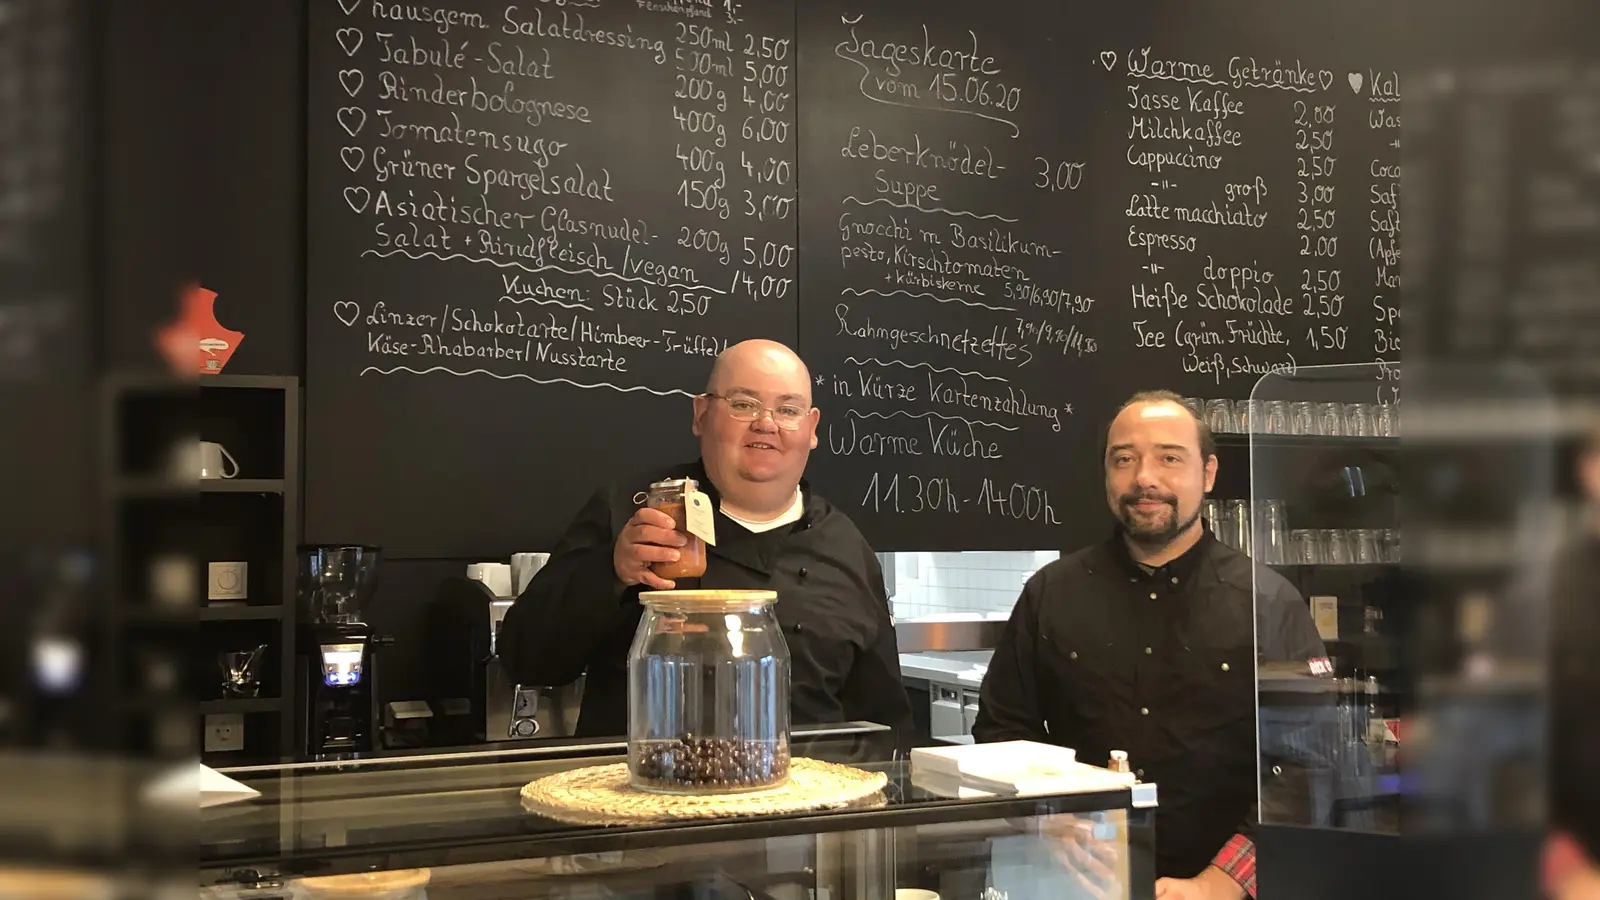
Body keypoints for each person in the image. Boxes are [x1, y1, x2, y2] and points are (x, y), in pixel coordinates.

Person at [973, 390, 1328, 900]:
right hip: (1074, 883)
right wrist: (1044, 817)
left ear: (1207, 474)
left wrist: (1222, 882)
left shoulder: (1269, 603)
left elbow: (1309, 765)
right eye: (1124, 459)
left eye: (1169, 458)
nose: (1144, 477)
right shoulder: (1051, 593)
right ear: (1106, 475)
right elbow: (1001, 729)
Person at [498, 339, 913, 746]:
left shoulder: (846, 547)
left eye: (787, 410)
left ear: (811, 429)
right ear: (701, 414)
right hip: (647, 800)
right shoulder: (632, 511)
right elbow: (528, 660)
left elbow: (884, 719)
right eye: (742, 403)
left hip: (805, 800)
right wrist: (612, 571)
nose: (766, 424)